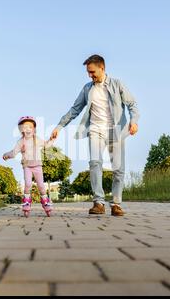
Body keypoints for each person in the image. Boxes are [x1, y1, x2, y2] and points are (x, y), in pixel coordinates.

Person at [50, 55, 140, 216]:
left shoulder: (117, 84)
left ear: (102, 68)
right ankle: (98, 202)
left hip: (116, 131)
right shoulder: (87, 89)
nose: (90, 75)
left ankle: (116, 204)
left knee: (118, 168)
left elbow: (132, 104)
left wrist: (134, 121)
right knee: (95, 162)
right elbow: (75, 109)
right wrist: (59, 126)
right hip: (95, 130)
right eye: (88, 72)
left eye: (92, 72)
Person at [3, 116, 55, 217]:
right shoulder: (20, 142)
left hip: (38, 166)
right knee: (27, 184)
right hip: (27, 166)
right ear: (21, 130)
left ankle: (45, 202)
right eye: (25, 127)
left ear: (34, 129)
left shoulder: (37, 139)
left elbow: (46, 145)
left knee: (41, 186)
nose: (28, 129)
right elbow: (14, 153)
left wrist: (52, 139)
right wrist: (7, 155)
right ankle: (27, 201)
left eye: (30, 127)